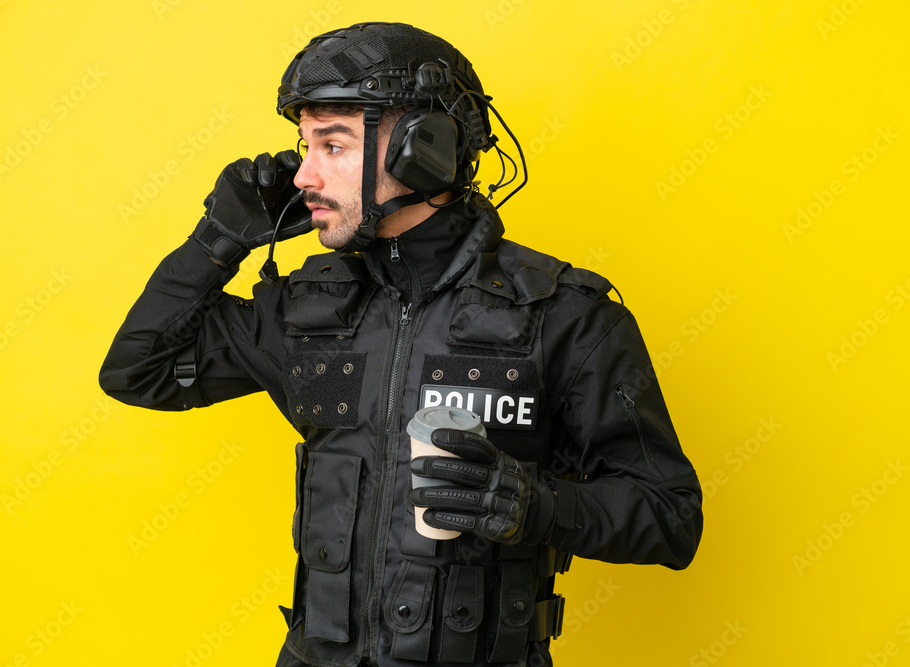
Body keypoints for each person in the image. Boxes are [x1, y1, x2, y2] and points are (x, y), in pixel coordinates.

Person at [99, 22, 703, 667]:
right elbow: (139, 372)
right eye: (304, 145)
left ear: (425, 151)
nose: (303, 175)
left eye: (332, 145)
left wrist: (536, 505)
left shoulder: (563, 314)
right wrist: (217, 240)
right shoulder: (304, 312)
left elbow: (670, 516)